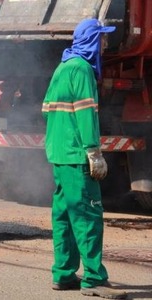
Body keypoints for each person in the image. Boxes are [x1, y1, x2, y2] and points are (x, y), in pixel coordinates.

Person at [42, 19, 127, 299]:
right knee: (88, 215)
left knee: (64, 216)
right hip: (77, 155)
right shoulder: (82, 69)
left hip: (59, 154)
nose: (105, 44)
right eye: (101, 38)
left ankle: (64, 274)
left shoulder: (63, 67)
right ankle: (93, 278)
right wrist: (93, 150)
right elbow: (86, 113)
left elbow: (46, 110)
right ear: (91, 40)